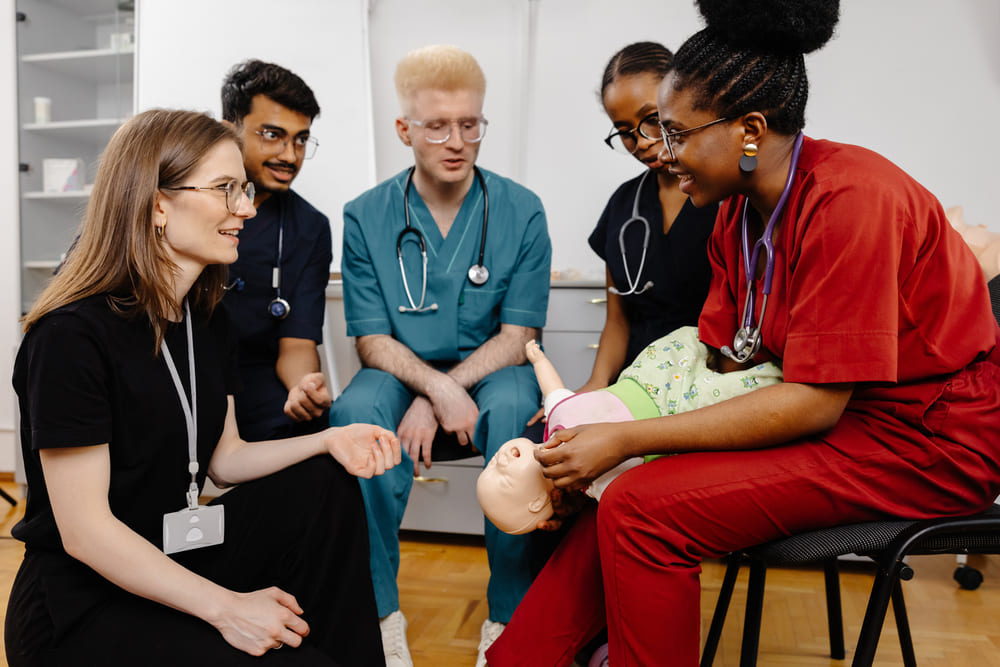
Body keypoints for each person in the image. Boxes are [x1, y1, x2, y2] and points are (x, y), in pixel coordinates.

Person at [486, 0, 1000, 665]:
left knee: (644, 506)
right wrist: (596, 447)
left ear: (750, 129)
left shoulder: (851, 200)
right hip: (835, 420)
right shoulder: (736, 217)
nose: (661, 154)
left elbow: (814, 400)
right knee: (622, 492)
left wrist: (628, 439)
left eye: (676, 133)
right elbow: (723, 369)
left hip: (926, 440)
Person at [5, 109, 401, 667]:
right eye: (225, 190)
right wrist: (228, 608)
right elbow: (86, 534)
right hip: (81, 604)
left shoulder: (207, 319)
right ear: (158, 203)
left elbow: (225, 459)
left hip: (173, 553)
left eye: (243, 189)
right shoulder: (70, 336)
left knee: (324, 483)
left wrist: (327, 441)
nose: (246, 207)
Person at [328, 44, 551, 667]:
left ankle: (508, 617)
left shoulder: (521, 209)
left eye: (470, 124)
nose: (457, 141)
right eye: (436, 126)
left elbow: (519, 336)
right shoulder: (366, 215)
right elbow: (371, 339)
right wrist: (436, 390)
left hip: (490, 373)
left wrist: (447, 390)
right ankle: (379, 615)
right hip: (400, 373)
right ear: (405, 130)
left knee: (516, 414)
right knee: (355, 411)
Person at [524, 41, 717, 440]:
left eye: (651, 119)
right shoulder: (624, 205)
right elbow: (618, 321)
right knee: (540, 445)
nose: (642, 141)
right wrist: (593, 388)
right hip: (633, 382)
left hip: (704, 383)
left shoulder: (724, 198)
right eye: (625, 132)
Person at [478, 333, 781, 529]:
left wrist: (538, 360)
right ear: (536, 504)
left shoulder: (555, 420)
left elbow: (552, 390)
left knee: (694, 338)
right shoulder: (594, 486)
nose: (499, 461)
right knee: (737, 392)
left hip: (647, 376)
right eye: (503, 479)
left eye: (491, 463)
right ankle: (777, 374)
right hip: (675, 410)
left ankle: (719, 336)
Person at [220, 59, 333, 442]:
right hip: (176, 371)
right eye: (273, 134)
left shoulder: (310, 229)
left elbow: (297, 343)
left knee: (313, 437)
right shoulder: (181, 200)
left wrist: (303, 386)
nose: (290, 155)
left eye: (300, 139)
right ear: (227, 129)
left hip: (254, 375)